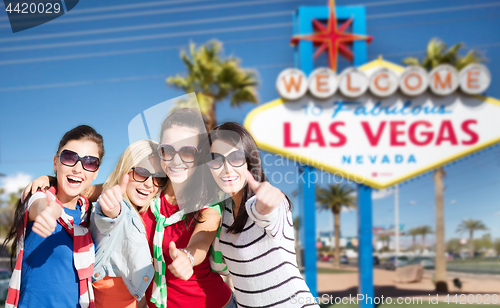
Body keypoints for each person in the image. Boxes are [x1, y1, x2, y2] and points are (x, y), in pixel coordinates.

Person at [204, 122, 319, 308]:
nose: (226, 168)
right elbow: (220, 266)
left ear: (249, 160)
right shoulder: (221, 214)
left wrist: (267, 203)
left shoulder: (265, 204)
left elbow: (266, 212)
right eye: (216, 159)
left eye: (235, 158)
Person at [140, 108, 235, 308]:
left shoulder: (208, 204)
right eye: (168, 150)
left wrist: (188, 256)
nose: (176, 160)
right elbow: (104, 187)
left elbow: (202, 238)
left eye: (186, 151)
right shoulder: (148, 193)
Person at [2, 125, 104, 308]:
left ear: (96, 172)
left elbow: (119, 186)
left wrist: (49, 178)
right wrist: (51, 211)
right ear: (56, 162)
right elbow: (40, 205)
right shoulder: (38, 197)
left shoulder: (88, 216)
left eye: (89, 162)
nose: (78, 168)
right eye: (69, 157)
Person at [90, 139, 165, 308]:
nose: (148, 183)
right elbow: (109, 219)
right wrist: (110, 208)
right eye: (141, 172)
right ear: (125, 169)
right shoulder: (120, 207)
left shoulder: (150, 212)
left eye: (158, 177)